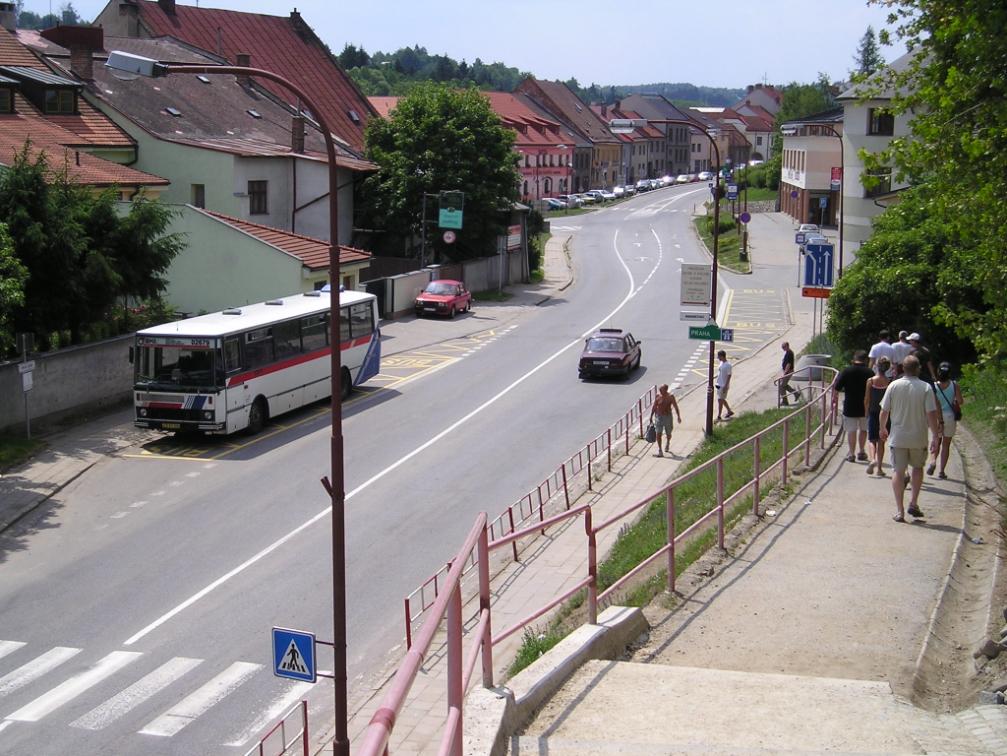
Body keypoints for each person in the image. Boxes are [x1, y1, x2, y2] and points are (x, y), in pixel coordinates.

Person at [880, 354, 941, 522]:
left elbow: (884, 411)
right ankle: (913, 502)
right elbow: (931, 414)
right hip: (918, 436)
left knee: (898, 472)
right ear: (918, 368)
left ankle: (899, 511)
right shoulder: (926, 388)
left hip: (898, 436)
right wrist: (935, 436)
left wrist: (882, 428)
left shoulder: (893, 386)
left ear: (902, 369)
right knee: (917, 468)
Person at [833, 350, 874, 462]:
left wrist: (834, 399)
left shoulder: (847, 371)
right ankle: (861, 451)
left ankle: (851, 454)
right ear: (865, 360)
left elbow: (836, 388)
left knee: (851, 430)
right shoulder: (870, 372)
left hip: (850, 405)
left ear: (854, 359)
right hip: (865, 406)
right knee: (863, 429)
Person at [929, 361, 964, 479]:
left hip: (936, 417)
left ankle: (933, 461)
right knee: (946, 444)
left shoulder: (933, 385)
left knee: (936, 441)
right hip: (949, 416)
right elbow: (960, 401)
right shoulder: (954, 385)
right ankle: (942, 471)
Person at [864, 356, 891, 476]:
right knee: (881, 441)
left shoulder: (870, 381)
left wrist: (866, 412)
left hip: (873, 412)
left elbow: (867, 399)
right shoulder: (890, 383)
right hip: (885, 414)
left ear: (876, 366)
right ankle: (879, 468)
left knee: (871, 440)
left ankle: (872, 459)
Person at [649, 384, 682, 458]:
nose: (660, 391)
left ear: (666, 390)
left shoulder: (670, 397)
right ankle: (660, 450)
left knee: (668, 433)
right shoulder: (658, 396)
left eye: (661, 390)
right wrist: (651, 416)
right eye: (660, 389)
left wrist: (678, 416)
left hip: (668, 417)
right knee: (658, 433)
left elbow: (675, 406)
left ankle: (667, 442)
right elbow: (654, 406)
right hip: (659, 417)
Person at [779, 342, 802, 406]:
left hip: (788, 372)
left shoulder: (789, 353)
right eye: (782, 347)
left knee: (781, 386)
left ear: (787, 346)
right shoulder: (788, 352)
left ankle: (785, 401)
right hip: (787, 371)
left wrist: (785, 373)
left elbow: (788, 364)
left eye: (784, 347)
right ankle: (796, 394)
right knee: (784, 385)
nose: (783, 348)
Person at [716, 350, 734, 420]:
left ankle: (719, 415)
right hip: (719, 384)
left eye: (719, 356)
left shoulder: (728, 365)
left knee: (720, 400)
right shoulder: (721, 363)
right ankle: (729, 411)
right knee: (721, 399)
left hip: (723, 385)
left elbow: (729, 375)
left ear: (722, 356)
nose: (718, 357)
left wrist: (726, 386)